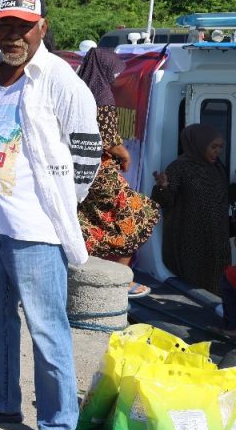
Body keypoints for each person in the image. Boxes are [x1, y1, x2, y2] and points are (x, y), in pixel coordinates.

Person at [0, 0, 100, 430]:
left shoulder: (61, 79)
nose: (13, 34)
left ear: (41, 27)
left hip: (36, 228)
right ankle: (0, 398)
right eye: (5, 25)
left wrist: (58, 205)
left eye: (22, 25)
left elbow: (86, 152)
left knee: (46, 327)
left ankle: (58, 424)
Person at [76, 48, 159, 298]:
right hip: (102, 172)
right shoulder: (102, 95)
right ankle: (121, 280)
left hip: (81, 171)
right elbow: (109, 140)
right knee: (142, 213)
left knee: (89, 220)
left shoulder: (78, 92)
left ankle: (82, 273)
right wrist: (125, 155)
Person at [152, 124, 230, 296]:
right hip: (191, 241)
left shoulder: (217, 167)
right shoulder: (179, 167)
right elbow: (163, 201)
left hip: (217, 240)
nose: (217, 151)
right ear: (199, 144)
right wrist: (162, 187)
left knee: (218, 286)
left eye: (220, 147)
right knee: (195, 290)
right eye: (213, 146)